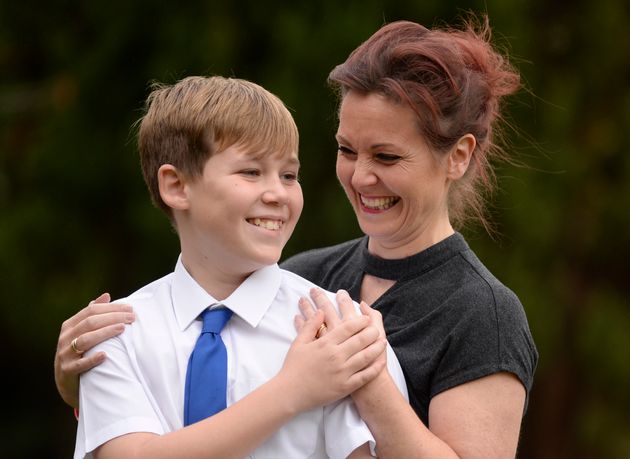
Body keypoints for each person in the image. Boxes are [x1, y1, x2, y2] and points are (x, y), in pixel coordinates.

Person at [57, 16, 538, 458]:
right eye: (347, 150)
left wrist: (363, 382)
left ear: (457, 157)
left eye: (387, 157)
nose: (361, 176)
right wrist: (80, 381)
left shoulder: (482, 313)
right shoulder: (304, 280)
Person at [70, 75, 407, 459]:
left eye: (288, 175)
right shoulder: (117, 335)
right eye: (250, 171)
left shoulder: (338, 334)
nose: (277, 193)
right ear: (177, 186)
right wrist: (292, 390)